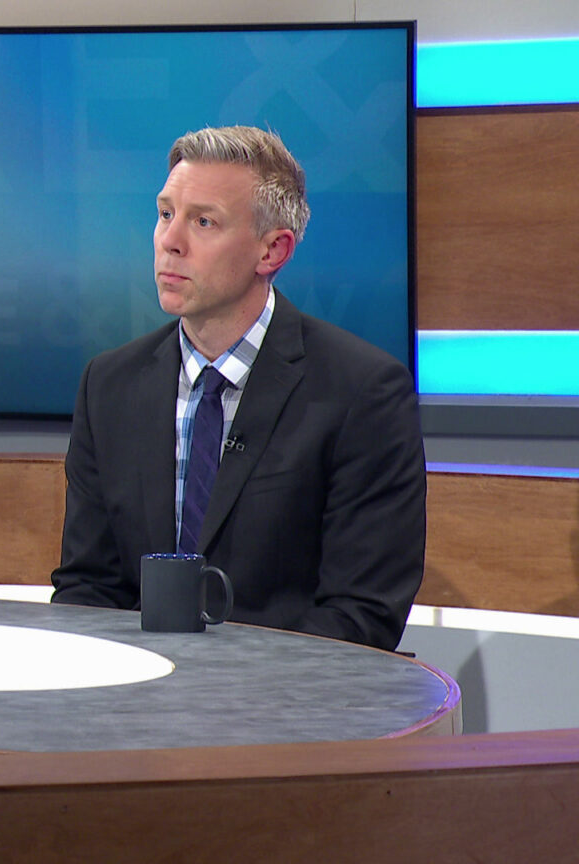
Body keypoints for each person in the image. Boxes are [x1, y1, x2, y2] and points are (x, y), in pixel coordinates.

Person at [49, 126, 425, 651]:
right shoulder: (109, 385)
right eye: (164, 214)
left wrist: (220, 694)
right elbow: (88, 587)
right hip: (135, 709)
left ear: (272, 251)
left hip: (288, 713)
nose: (170, 240)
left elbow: (360, 617)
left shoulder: (362, 393)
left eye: (203, 221)